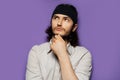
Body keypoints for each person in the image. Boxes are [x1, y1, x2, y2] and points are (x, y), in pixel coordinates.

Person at [26, 3, 92, 80]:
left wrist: (62, 53)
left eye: (66, 19)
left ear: (74, 27)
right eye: (56, 18)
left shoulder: (83, 55)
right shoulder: (36, 52)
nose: (59, 23)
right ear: (51, 22)